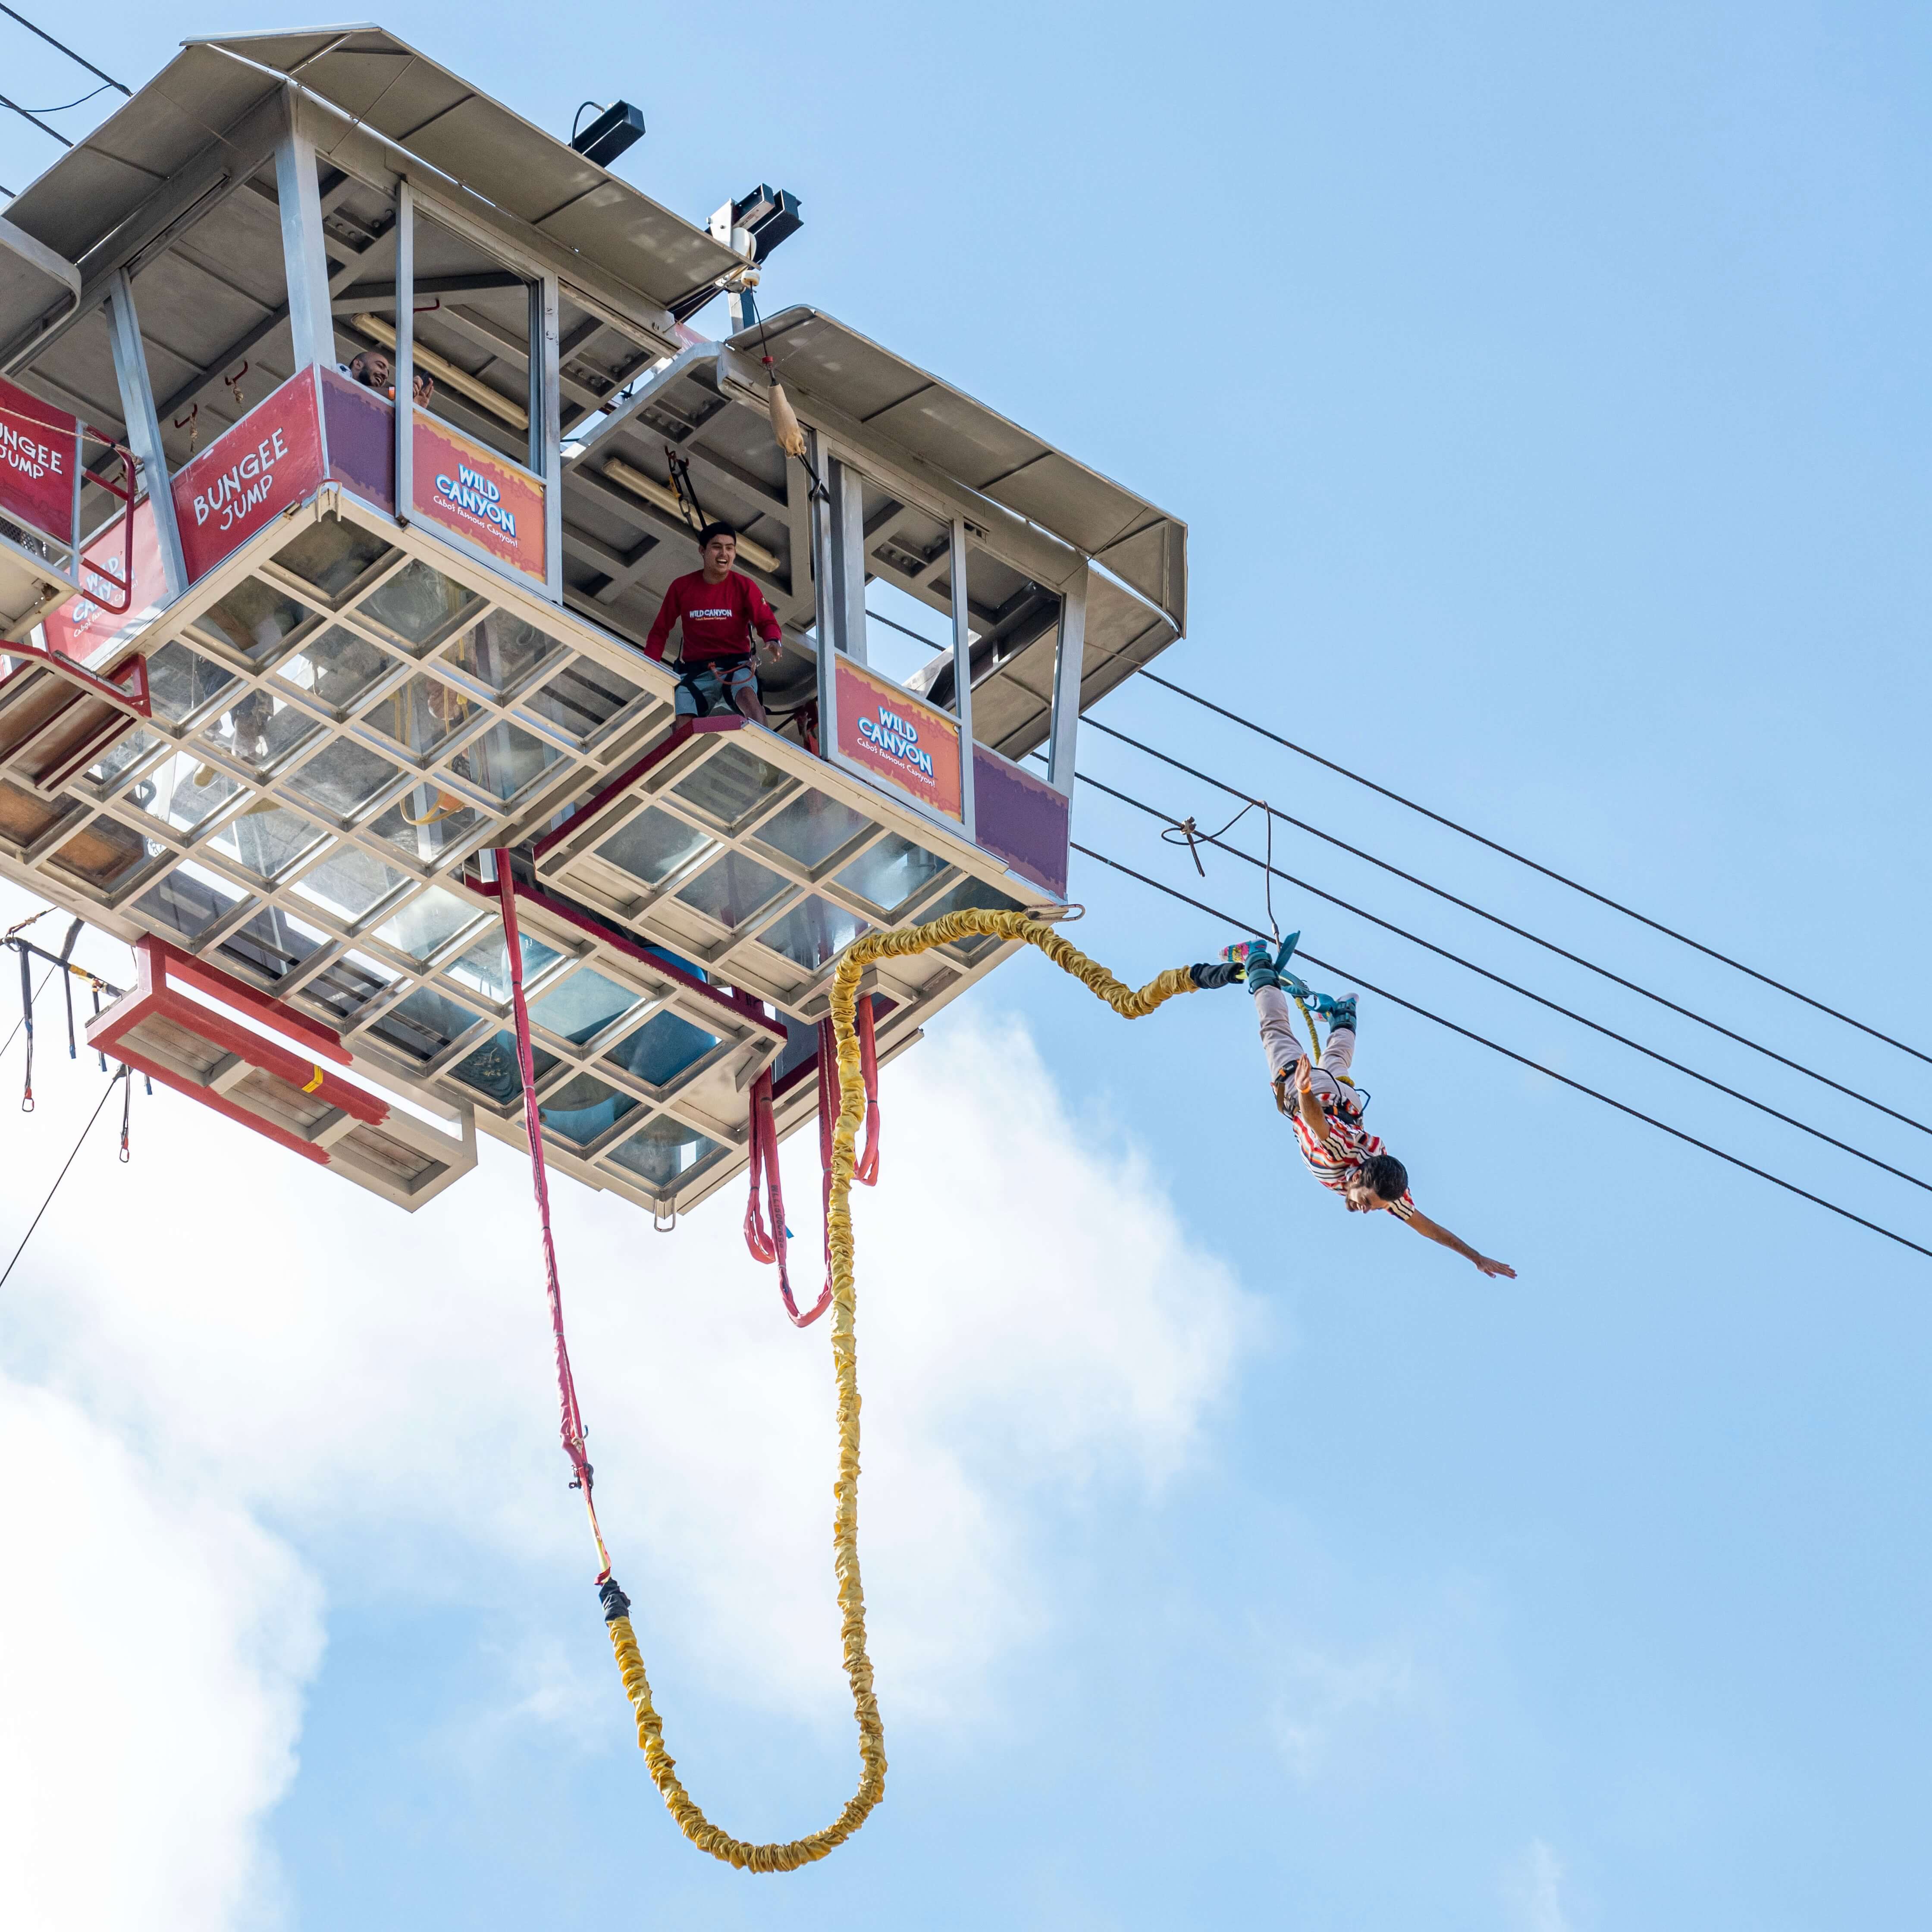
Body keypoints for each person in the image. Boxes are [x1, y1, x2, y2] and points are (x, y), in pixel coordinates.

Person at [1191, 933, 1517, 1277]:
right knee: (1275, 1029)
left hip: (1347, 1103)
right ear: (1359, 1176)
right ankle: (1256, 958)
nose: (1366, 1210)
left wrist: (1475, 1257)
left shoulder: (1387, 1189)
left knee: (1336, 1061)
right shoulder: (1339, 1154)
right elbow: (1316, 1122)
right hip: (1312, 1097)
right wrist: (1304, 1089)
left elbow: (1427, 1227)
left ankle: (1344, 1014)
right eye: (1367, 1202)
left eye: (1374, 1207)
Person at [643, 522, 784, 723]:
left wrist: (773, 640)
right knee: (682, 722)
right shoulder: (681, 587)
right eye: (717, 547)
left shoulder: (745, 586)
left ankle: (767, 743)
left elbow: (766, 621)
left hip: (736, 668)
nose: (724, 553)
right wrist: (649, 666)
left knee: (750, 702)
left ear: (735, 553)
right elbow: (660, 631)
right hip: (696, 672)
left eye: (730, 548)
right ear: (703, 551)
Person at [344, 348, 435, 406]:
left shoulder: (373, 406)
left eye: (387, 373)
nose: (385, 375)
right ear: (358, 364)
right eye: (380, 366)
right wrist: (400, 392)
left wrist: (414, 407)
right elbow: (354, 389)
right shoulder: (339, 372)